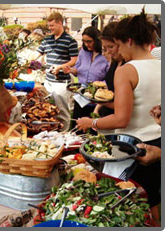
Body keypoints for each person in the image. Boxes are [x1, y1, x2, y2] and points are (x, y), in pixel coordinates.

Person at [76, 8, 161, 214]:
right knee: (152, 202)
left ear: (129, 41)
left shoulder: (127, 70)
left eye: (119, 44)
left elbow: (122, 118)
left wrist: (91, 123)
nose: (118, 51)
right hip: (158, 146)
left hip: (133, 148)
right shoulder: (159, 65)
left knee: (130, 207)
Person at [35, 12, 79, 131]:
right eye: (49, 26)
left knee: (62, 111)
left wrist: (60, 67)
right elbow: (37, 53)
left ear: (60, 23)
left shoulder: (70, 41)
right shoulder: (47, 39)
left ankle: (64, 135)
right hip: (48, 80)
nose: (49, 28)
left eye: (52, 25)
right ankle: (54, 133)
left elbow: (74, 60)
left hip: (61, 82)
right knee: (49, 110)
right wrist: (28, 61)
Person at [63, 26, 109, 130]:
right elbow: (78, 70)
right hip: (81, 97)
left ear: (97, 41)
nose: (86, 44)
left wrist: (98, 86)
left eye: (89, 41)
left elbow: (109, 78)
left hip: (96, 100)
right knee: (77, 128)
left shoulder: (105, 55)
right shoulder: (83, 53)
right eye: (84, 41)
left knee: (93, 131)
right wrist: (70, 70)